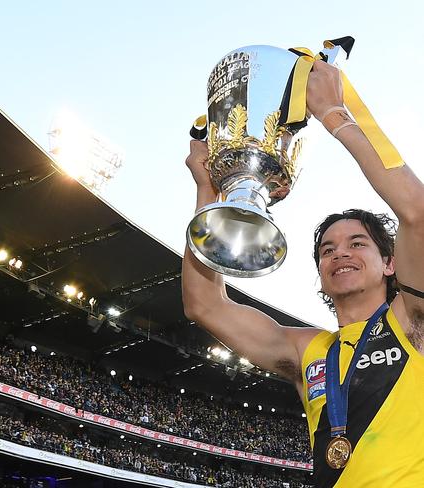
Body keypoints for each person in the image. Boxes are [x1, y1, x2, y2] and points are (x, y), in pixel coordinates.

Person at [182, 60, 424, 487]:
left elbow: (416, 212)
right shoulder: (308, 351)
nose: (339, 255)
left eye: (357, 244)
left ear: (391, 264)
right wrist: (208, 192)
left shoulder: (412, 320)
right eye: (327, 250)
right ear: (319, 273)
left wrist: (335, 115)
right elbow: (204, 306)